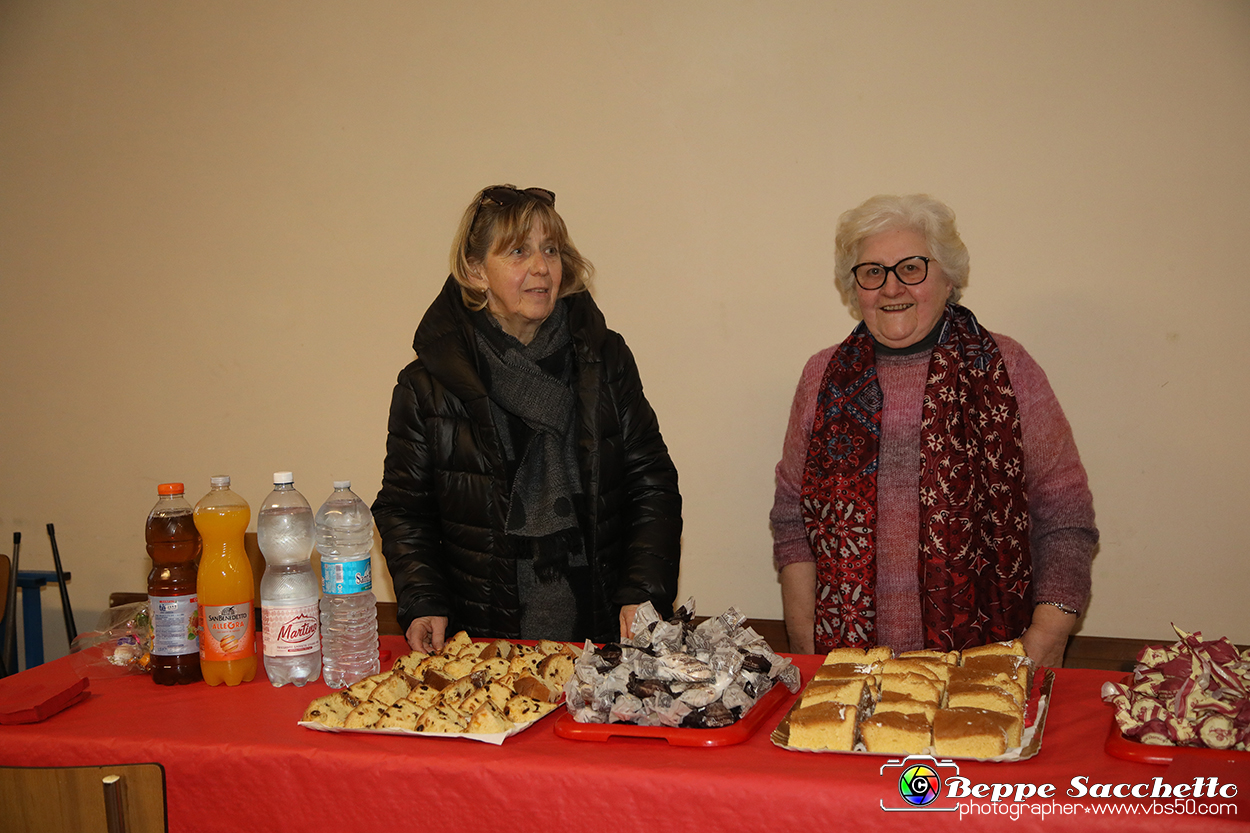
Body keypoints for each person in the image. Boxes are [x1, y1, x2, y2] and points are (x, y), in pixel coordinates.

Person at [770, 194, 1096, 667]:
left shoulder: (1007, 369)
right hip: (849, 666)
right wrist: (808, 653)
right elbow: (792, 521)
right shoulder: (821, 376)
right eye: (872, 271)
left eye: (911, 268)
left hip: (990, 662)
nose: (890, 287)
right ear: (853, 286)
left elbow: (1066, 518)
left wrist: (1044, 641)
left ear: (948, 278)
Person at [373, 184, 682, 654]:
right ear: (476, 271)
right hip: (480, 645)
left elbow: (651, 480)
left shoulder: (605, 358)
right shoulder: (427, 385)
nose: (541, 267)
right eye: (519, 251)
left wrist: (642, 589)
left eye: (551, 250)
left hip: (604, 641)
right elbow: (404, 509)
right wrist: (423, 600)